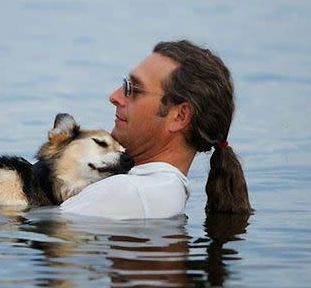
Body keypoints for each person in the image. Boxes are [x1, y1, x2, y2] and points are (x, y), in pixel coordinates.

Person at [60, 40, 252, 219]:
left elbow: (42, 230)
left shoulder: (130, 192)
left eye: (133, 89)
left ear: (179, 116)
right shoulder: (160, 189)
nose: (115, 96)